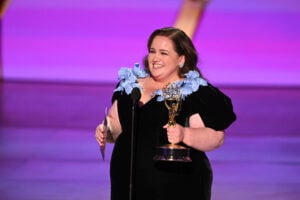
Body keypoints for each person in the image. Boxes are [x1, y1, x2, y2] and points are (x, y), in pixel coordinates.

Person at [95, 27, 236, 200]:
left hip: (178, 185)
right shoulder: (131, 86)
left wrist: (185, 134)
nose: (155, 58)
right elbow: (116, 123)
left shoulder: (194, 92)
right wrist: (106, 130)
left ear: (181, 59)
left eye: (164, 53)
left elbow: (216, 137)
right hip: (128, 182)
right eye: (152, 51)